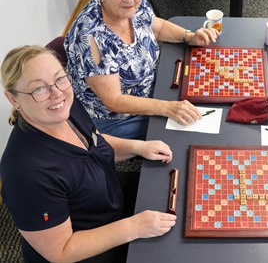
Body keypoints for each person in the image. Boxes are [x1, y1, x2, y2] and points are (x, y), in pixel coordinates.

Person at [1, 45, 177, 262]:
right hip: (84, 247)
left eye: (60, 79)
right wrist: (133, 227)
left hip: (107, 200)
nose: (57, 93)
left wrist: (137, 147)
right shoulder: (25, 175)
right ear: (13, 99)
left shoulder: (65, 107)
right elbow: (61, 251)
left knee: (171, 189)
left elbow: (94, 141)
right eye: (39, 89)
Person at [64, 0, 218, 140]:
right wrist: (167, 107)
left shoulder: (133, 1)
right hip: (114, 118)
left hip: (148, 88)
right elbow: (113, 101)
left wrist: (189, 36)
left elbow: (158, 26)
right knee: (190, 128)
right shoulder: (91, 36)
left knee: (206, 95)